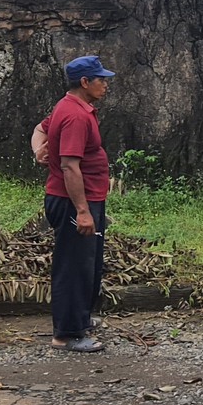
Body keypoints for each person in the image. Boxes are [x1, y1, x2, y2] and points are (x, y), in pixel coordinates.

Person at [32, 56, 116, 353]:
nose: (105, 84)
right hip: (73, 202)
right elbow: (69, 166)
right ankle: (66, 335)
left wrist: (38, 152)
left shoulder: (69, 106)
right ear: (85, 82)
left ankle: (79, 319)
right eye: (101, 79)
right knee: (73, 266)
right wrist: (81, 211)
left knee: (87, 264)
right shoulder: (76, 116)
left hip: (87, 198)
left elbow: (39, 129)